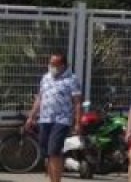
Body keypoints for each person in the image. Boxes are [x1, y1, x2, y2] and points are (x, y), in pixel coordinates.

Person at [25, 52, 83, 182]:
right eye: (50, 63)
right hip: (45, 119)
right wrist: (31, 117)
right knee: (48, 153)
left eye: (55, 64)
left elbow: (78, 103)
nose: (51, 66)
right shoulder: (45, 78)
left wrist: (78, 122)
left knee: (54, 152)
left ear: (63, 65)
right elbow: (39, 98)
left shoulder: (72, 80)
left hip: (62, 120)